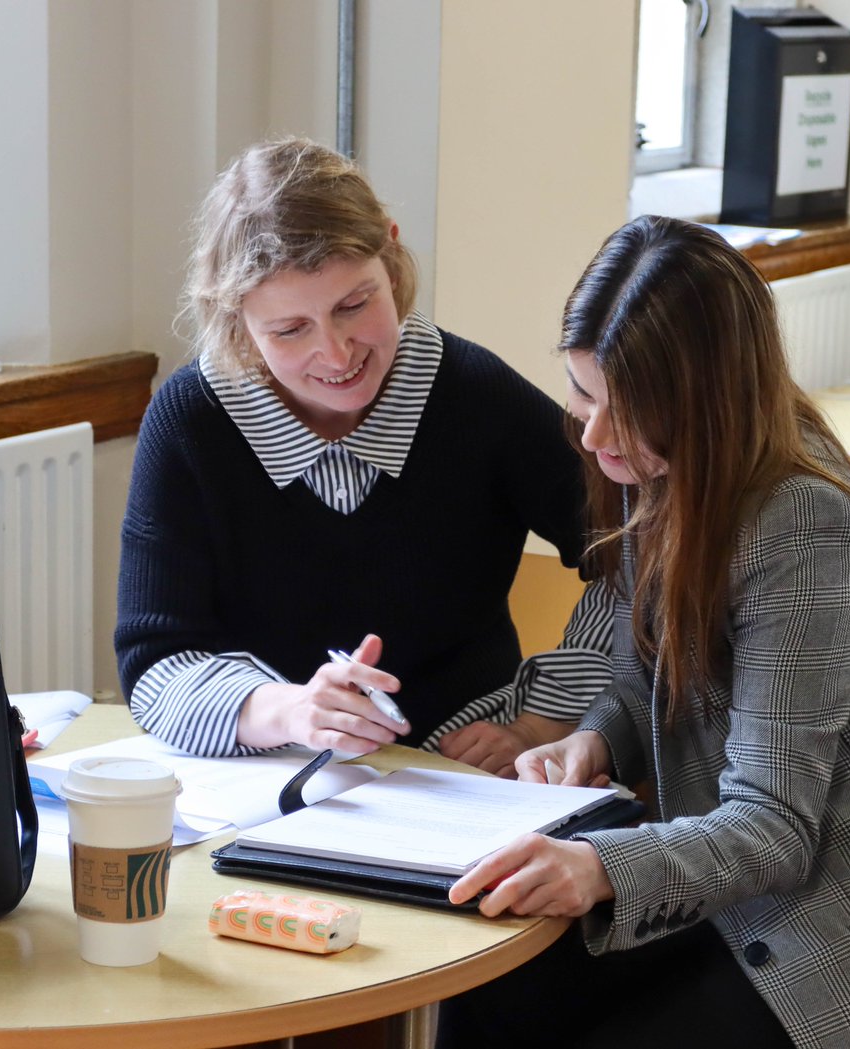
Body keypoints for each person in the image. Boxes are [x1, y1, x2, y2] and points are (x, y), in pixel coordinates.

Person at [438, 217, 850, 1048]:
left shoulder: (804, 521)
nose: (596, 435)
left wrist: (599, 866)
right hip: (738, 892)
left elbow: (775, 829)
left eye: (627, 408)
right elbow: (646, 668)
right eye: (582, 393)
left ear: (705, 405)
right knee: (486, 998)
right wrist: (598, 742)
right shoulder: (655, 460)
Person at [114, 137, 611, 773]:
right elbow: (156, 661)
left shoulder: (470, 393)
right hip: (268, 774)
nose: (338, 354)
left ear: (392, 255)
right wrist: (290, 710)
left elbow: (646, 553)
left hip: (466, 770)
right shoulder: (192, 420)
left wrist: (543, 715)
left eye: (355, 305)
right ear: (236, 320)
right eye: (290, 330)